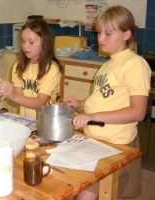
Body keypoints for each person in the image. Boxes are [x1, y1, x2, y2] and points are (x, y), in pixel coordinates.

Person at [61, 6, 151, 200]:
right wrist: (80, 104)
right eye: (100, 32)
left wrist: (92, 116)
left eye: (108, 33)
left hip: (117, 144)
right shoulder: (108, 64)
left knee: (99, 195)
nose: (101, 38)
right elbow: (104, 100)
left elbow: (138, 112)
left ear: (127, 34)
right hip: (95, 139)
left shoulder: (135, 64)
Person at [0, 19, 63, 119]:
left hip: (48, 122)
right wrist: (9, 93)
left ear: (45, 42)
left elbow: (41, 103)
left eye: (31, 42)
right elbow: (17, 101)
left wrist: (15, 96)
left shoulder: (51, 69)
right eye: (23, 41)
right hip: (27, 120)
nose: (25, 46)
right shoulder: (19, 66)